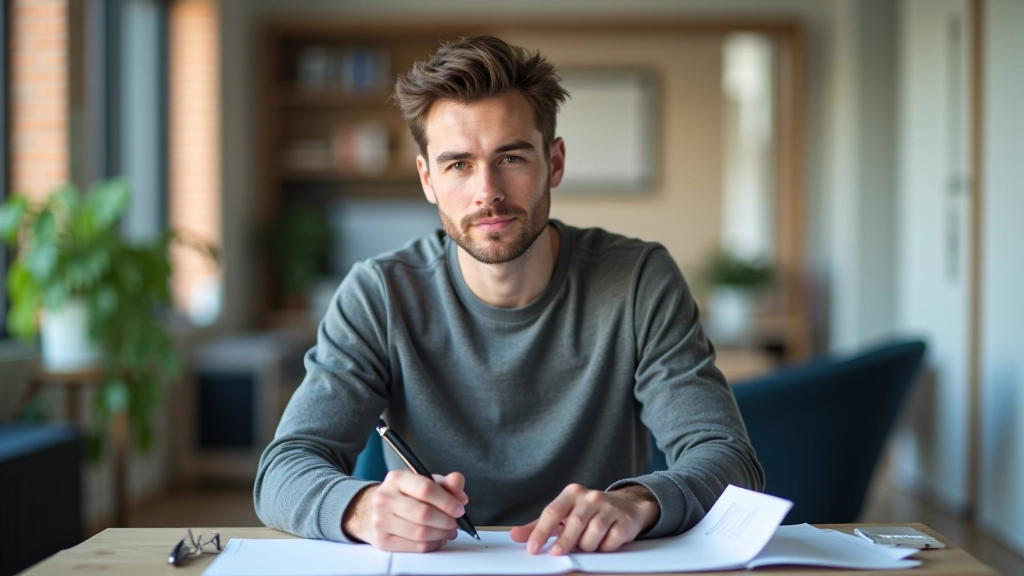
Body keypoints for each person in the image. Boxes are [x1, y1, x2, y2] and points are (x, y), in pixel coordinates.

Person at [254, 35, 763, 556]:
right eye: (458, 165)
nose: (487, 191)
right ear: (427, 179)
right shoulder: (379, 293)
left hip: (593, 565)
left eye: (512, 158)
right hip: (436, 566)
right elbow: (284, 469)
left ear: (555, 162)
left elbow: (728, 459)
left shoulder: (638, 281)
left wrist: (638, 501)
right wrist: (361, 508)